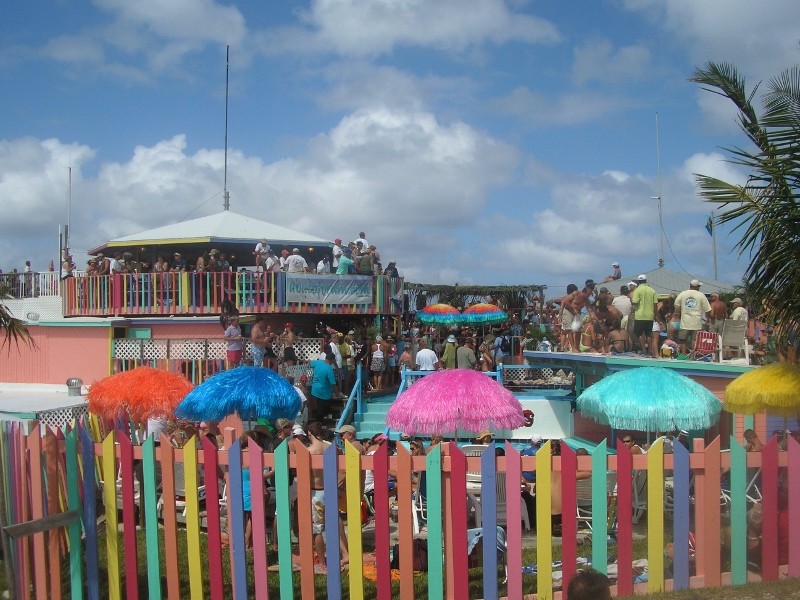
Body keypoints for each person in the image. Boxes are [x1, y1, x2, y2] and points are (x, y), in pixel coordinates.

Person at [674, 279, 712, 355]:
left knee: (683, 340)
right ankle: (693, 356)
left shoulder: (683, 294)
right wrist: (708, 318)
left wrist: (679, 314)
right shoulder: (701, 295)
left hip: (685, 321)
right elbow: (708, 310)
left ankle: (683, 355)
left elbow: (677, 305)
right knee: (694, 340)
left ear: (690, 286)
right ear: (697, 287)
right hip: (696, 322)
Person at [631, 274, 657, 355]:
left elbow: (634, 302)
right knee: (648, 334)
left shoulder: (637, 290)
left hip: (640, 316)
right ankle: (650, 350)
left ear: (639, 281)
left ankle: (644, 350)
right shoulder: (652, 290)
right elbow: (655, 304)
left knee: (639, 334)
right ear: (646, 281)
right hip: (650, 316)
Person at [309, 352, 336, 420]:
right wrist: (337, 392)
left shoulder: (318, 362)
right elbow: (332, 383)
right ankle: (321, 421)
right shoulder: (329, 369)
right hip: (324, 392)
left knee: (319, 407)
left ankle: (321, 418)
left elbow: (310, 363)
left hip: (315, 389)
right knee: (322, 409)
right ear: (332, 360)